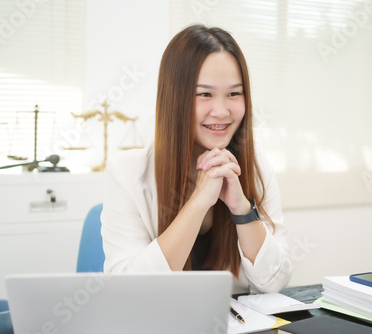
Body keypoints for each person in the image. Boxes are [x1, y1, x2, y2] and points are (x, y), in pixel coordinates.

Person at [101, 24, 293, 293]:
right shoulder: (126, 172)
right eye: (205, 94)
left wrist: (242, 211)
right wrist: (199, 202)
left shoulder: (255, 165)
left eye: (234, 94)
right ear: (175, 99)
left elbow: (274, 283)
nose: (222, 111)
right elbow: (130, 293)